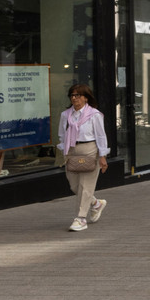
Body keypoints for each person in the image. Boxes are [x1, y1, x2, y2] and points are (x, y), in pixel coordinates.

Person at [57, 83, 109, 232]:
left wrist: (102, 156)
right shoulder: (65, 115)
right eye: (72, 95)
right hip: (71, 149)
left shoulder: (94, 115)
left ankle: (80, 219)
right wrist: (64, 151)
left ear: (86, 98)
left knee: (85, 186)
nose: (74, 98)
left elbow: (100, 135)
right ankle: (96, 204)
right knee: (74, 185)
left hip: (90, 149)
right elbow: (61, 134)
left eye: (78, 95)